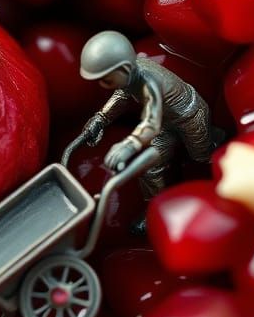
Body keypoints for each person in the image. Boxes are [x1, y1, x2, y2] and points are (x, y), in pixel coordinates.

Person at [79, 31, 215, 200]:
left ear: (125, 69)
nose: (103, 85)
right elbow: (121, 95)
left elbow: (151, 122)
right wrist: (100, 119)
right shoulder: (132, 74)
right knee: (149, 168)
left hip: (192, 118)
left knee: (202, 158)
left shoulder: (149, 83)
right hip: (166, 124)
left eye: (106, 80)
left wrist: (129, 145)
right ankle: (155, 205)